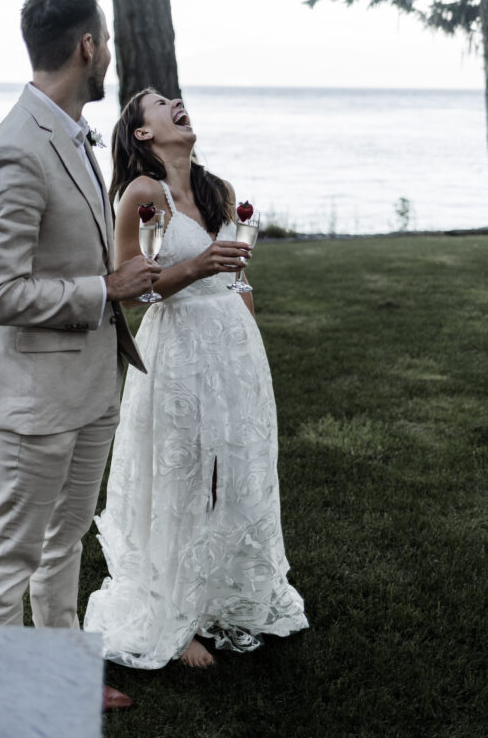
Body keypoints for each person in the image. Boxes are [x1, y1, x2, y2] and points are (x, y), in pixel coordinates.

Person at [0, 0, 160, 711]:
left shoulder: (71, 133)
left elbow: (78, 262)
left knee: (65, 540)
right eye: (104, 40)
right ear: (87, 46)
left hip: (90, 387)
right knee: (11, 551)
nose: (107, 52)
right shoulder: (15, 146)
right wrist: (105, 290)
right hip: (35, 400)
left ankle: (61, 672)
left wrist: (125, 282)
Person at [84, 89, 308, 669]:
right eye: (160, 103)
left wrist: (249, 347)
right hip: (177, 345)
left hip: (231, 346)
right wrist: (196, 265)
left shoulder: (219, 192)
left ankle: (218, 592)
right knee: (181, 472)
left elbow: (237, 280)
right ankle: (173, 615)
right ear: (142, 134)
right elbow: (134, 290)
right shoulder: (142, 193)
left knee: (231, 470)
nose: (177, 102)